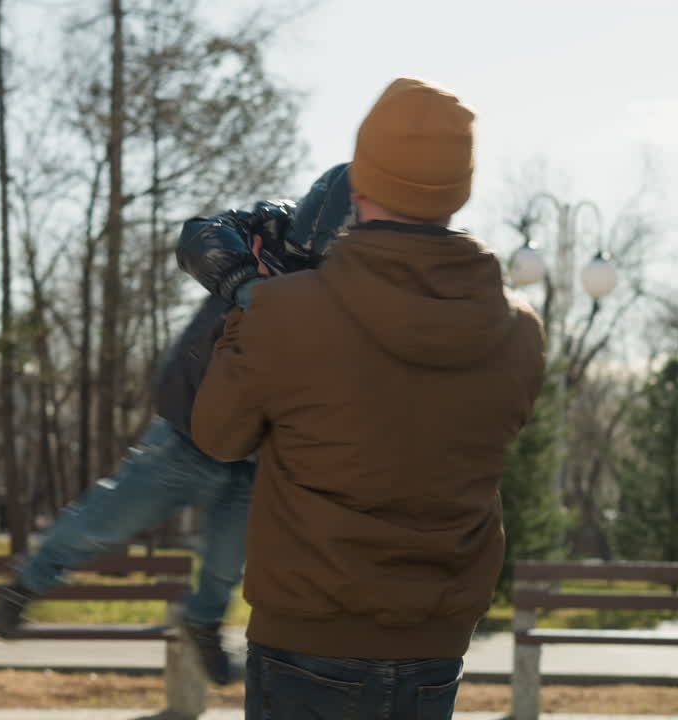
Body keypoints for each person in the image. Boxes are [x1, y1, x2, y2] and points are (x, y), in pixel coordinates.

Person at [187, 78, 547, 719]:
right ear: (459, 189)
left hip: (306, 637)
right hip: (436, 647)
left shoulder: (287, 312)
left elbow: (217, 433)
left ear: (358, 184)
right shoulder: (518, 330)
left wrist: (246, 293)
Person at [0, 165, 355, 686]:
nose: (308, 259)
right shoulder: (266, 227)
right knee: (108, 520)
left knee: (229, 560)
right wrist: (243, 282)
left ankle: (202, 621)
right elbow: (198, 235)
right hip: (192, 427)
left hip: (262, 449)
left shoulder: (349, 284)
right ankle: (27, 582)